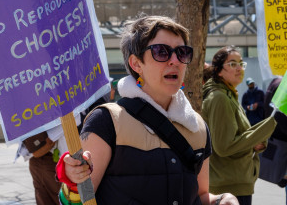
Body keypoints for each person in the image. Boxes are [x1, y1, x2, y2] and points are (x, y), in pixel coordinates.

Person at [57, 15, 238, 205]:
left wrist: (221, 200)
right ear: (136, 64)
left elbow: (200, 196)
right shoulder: (107, 121)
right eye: (161, 52)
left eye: (182, 52)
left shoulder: (197, 126)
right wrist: (72, 181)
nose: (175, 61)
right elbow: (76, 201)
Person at [202, 45, 276, 205]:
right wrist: (263, 131)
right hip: (229, 186)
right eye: (232, 64)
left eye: (241, 63)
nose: (239, 68)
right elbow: (223, 146)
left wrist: (256, 141)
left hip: (234, 181)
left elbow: (237, 137)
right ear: (219, 71)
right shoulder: (219, 98)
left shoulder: (228, 95)